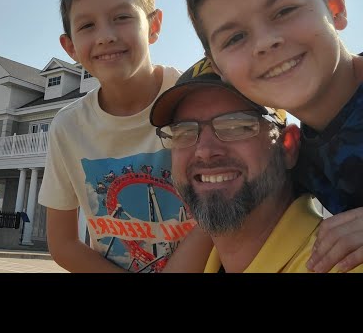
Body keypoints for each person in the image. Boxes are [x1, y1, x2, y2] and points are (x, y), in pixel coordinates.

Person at [184, 0, 363, 272]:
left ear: (335, 7)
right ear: (217, 65)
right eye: (235, 37)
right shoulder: (300, 157)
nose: (265, 42)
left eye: (284, 11)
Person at [38, 0, 210, 273]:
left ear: (154, 25)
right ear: (70, 46)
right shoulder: (68, 127)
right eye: (87, 25)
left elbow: (222, 208)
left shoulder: (197, 97)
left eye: (122, 17)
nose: (105, 35)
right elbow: (62, 243)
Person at [150, 58, 363, 272]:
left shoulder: (344, 263)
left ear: (288, 146)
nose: (204, 151)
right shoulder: (206, 263)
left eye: (237, 126)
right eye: (184, 132)